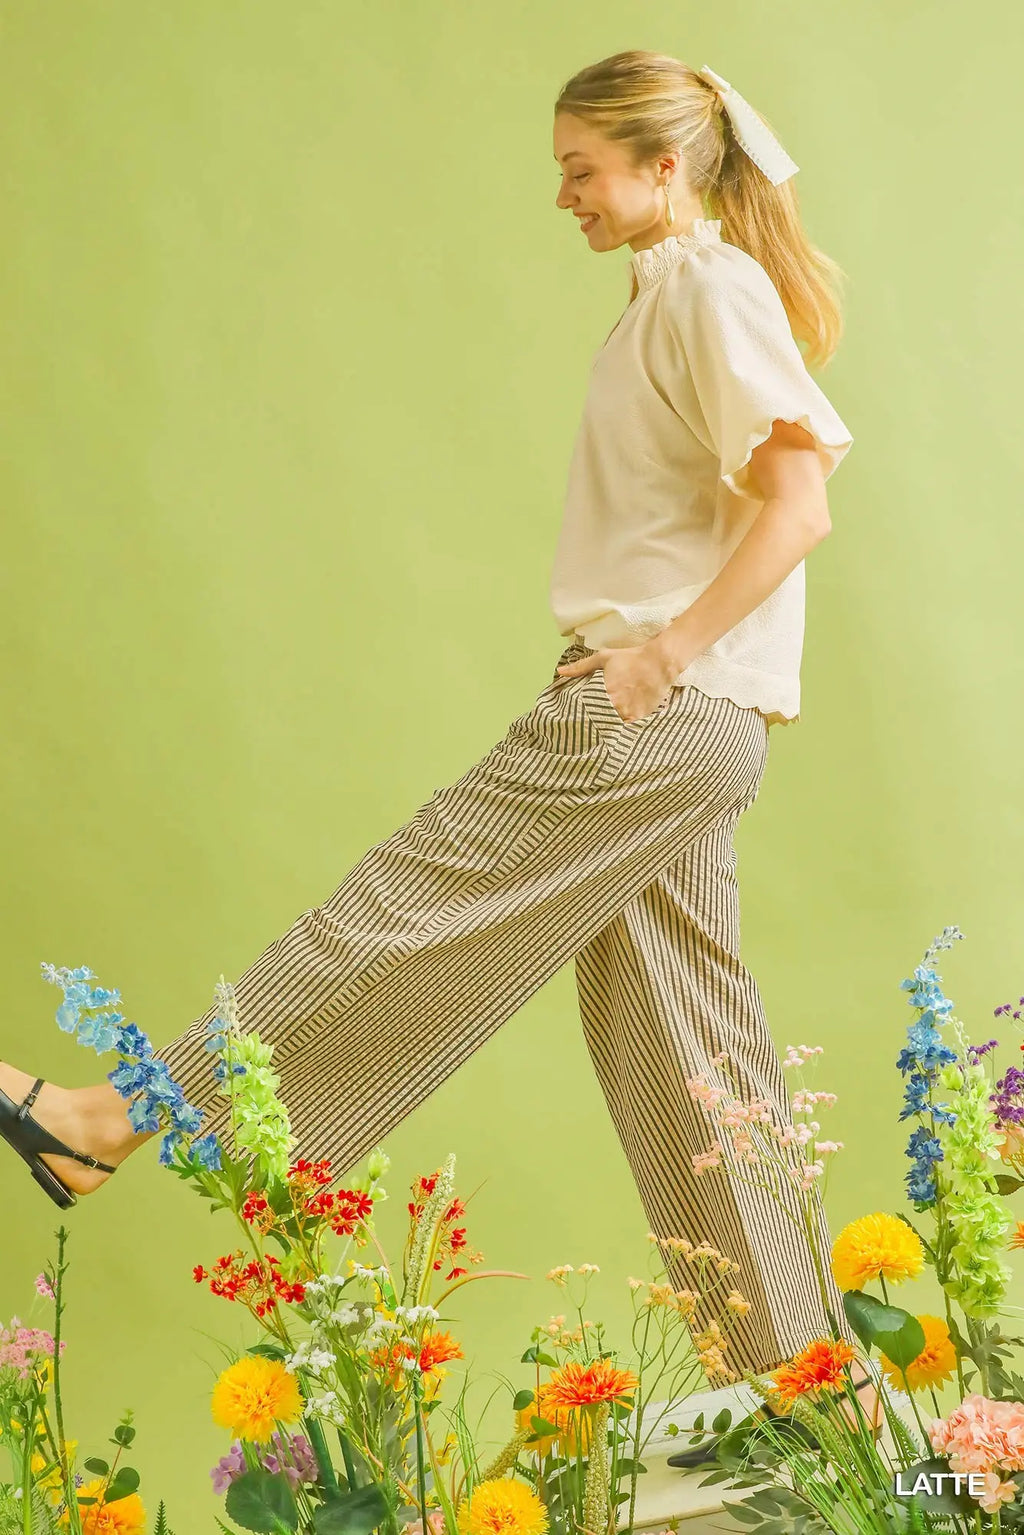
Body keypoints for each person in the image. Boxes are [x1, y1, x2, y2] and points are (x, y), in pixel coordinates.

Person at [1, 50, 882, 1439]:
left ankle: (113, 1120)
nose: (564, 196)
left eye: (584, 170)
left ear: (665, 169)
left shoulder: (708, 290)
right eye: (561, 170)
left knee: (403, 908)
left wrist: (657, 654)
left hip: (656, 715)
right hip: (692, 726)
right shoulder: (675, 296)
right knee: (690, 1050)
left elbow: (800, 505)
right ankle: (809, 1394)